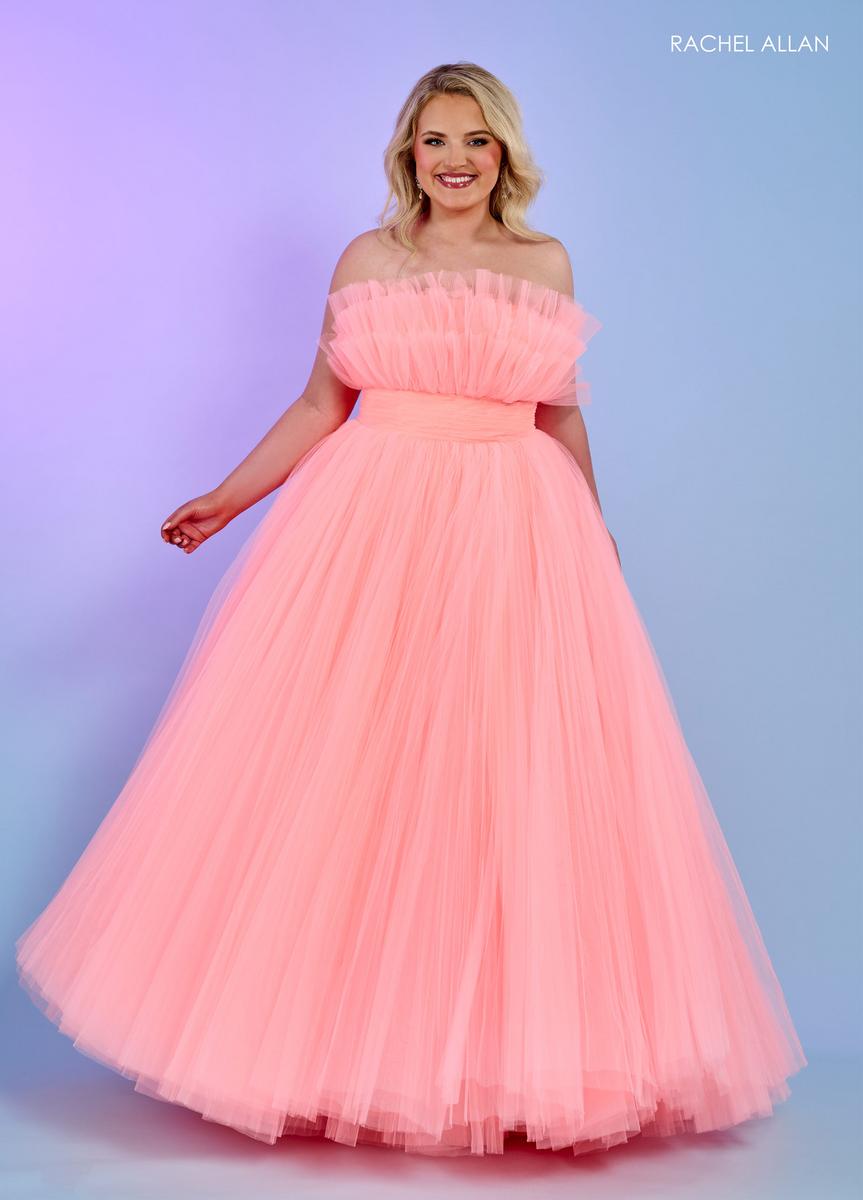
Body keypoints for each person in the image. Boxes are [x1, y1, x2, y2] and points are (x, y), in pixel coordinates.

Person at [15, 61, 806, 1158]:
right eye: (435, 140)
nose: (455, 161)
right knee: (351, 775)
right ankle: (326, 1053)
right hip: (371, 527)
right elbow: (318, 405)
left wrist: (593, 528)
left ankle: (499, 1064)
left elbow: (558, 415)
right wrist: (227, 501)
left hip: (512, 529)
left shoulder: (542, 261)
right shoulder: (367, 259)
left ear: (503, 153)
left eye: (475, 141)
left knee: (499, 781)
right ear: (408, 153)